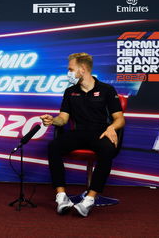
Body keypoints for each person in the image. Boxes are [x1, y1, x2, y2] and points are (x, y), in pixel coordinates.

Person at [40, 53, 125, 217]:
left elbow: (119, 119)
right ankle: (61, 197)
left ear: (83, 69)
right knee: (53, 147)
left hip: (100, 133)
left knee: (107, 150)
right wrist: (53, 120)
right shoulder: (70, 92)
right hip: (78, 133)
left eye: (71, 69)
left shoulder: (107, 90)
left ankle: (89, 200)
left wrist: (111, 128)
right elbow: (63, 119)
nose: (68, 73)